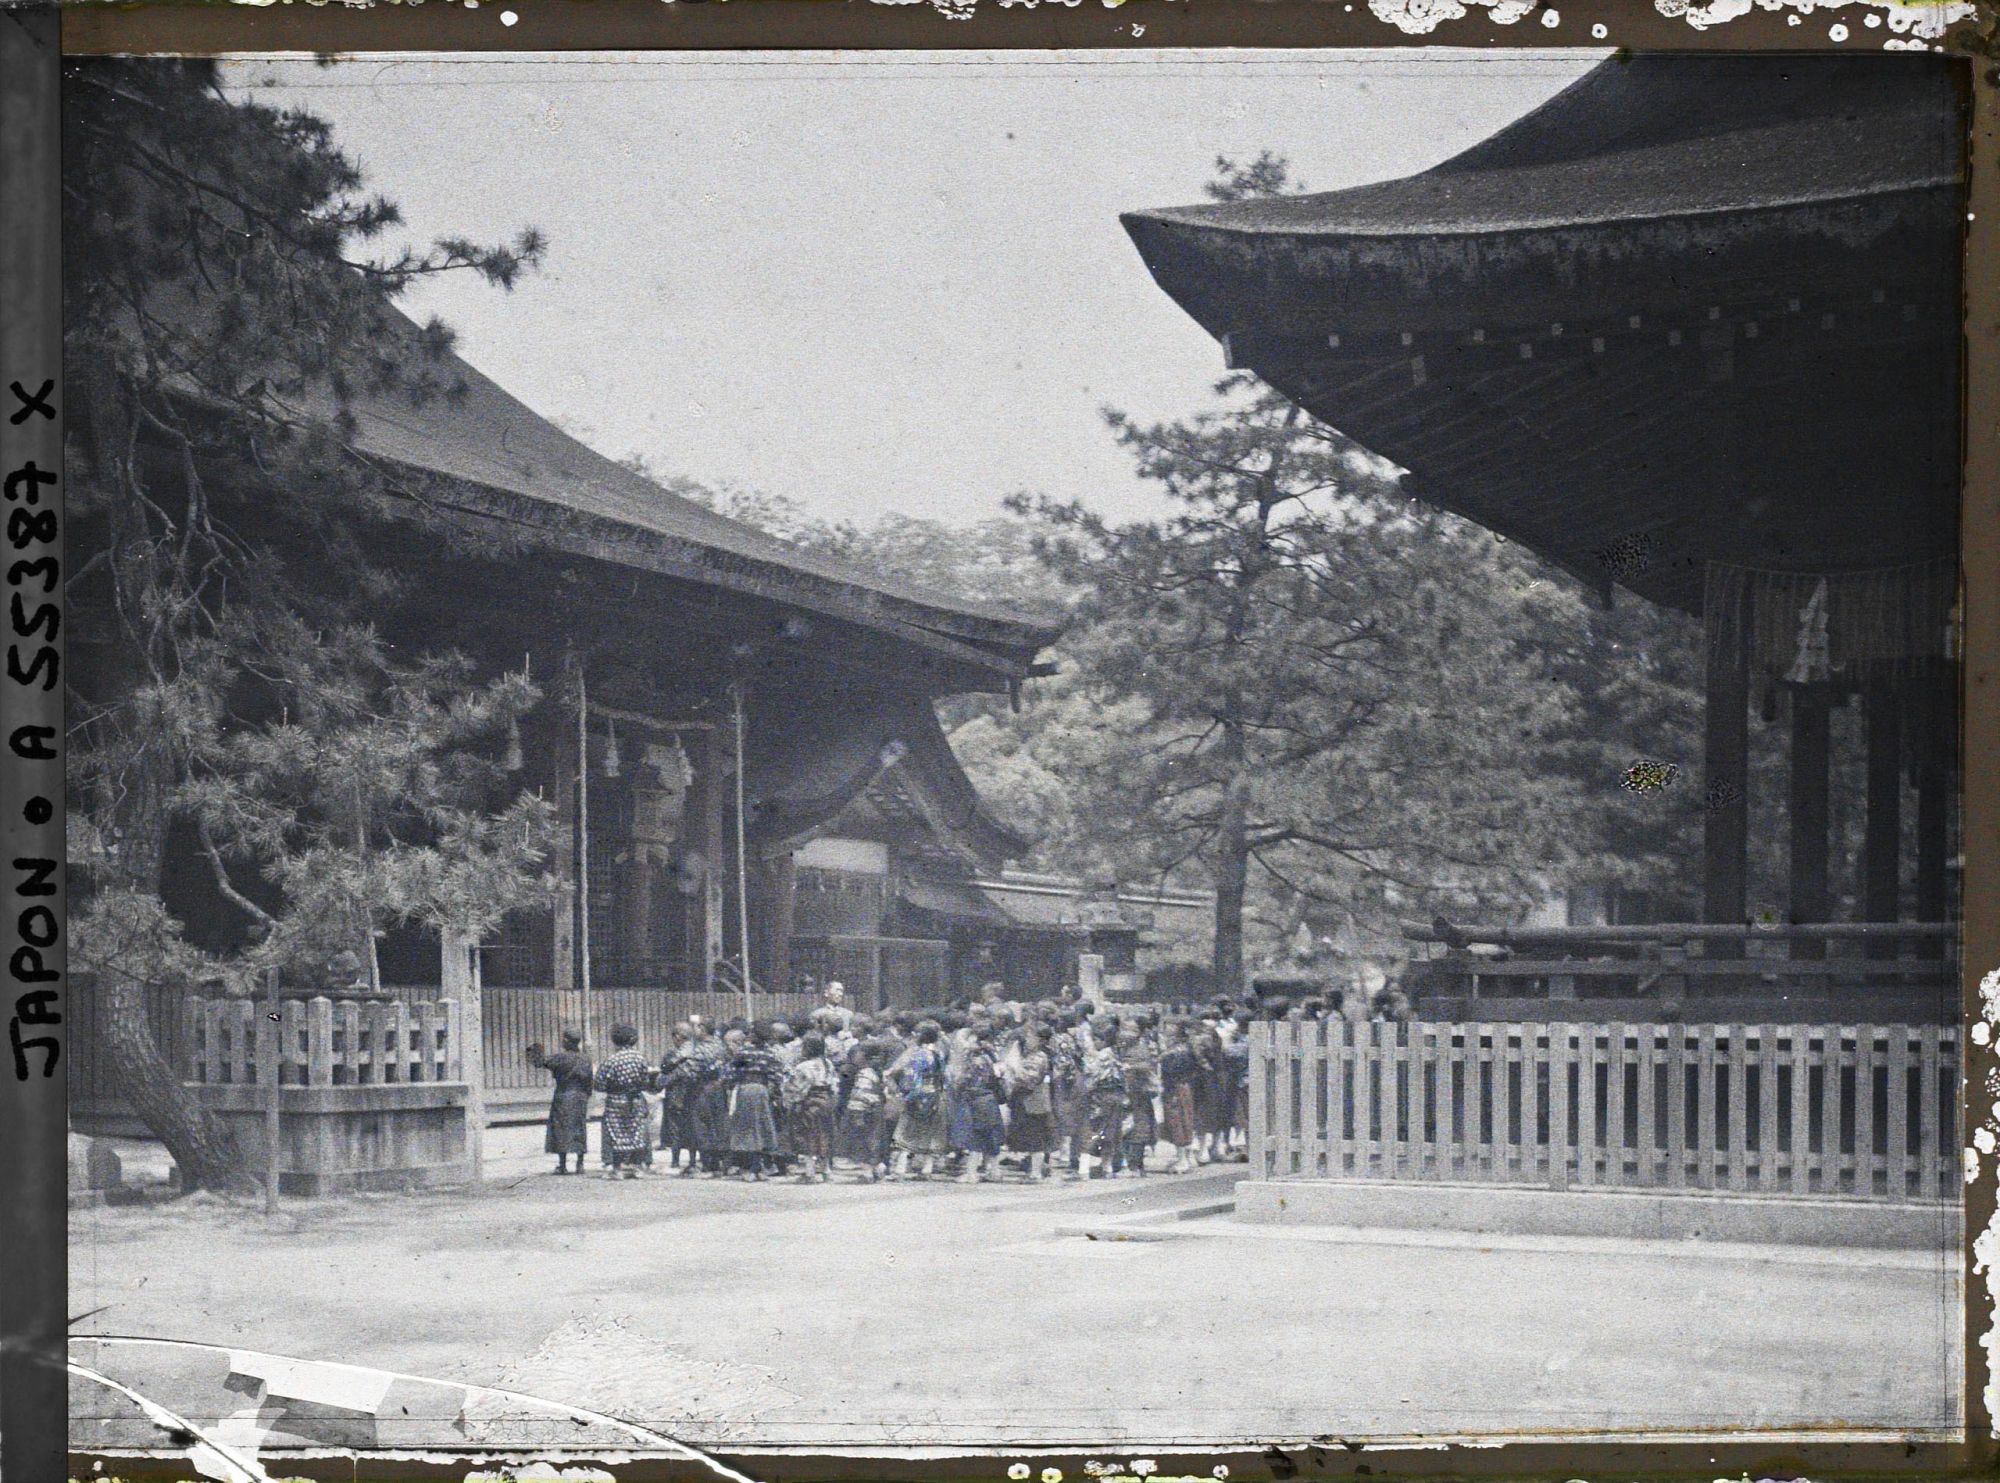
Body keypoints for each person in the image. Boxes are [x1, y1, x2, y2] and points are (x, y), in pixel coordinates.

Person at [526, 1030, 592, 1176]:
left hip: (563, 1095)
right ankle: (580, 1164)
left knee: (561, 1129)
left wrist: (533, 1049)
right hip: (580, 1096)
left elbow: (539, 1062)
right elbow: (589, 1081)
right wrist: (587, 1096)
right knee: (579, 1128)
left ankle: (562, 1165)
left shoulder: (560, 1058)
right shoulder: (585, 1059)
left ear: (567, 1041)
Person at [889, 1021, 950, 1180]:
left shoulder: (917, 1054)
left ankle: (900, 1169)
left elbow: (911, 1076)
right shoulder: (939, 1053)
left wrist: (905, 1093)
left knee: (907, 1131)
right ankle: (926, 1169)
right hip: (936, 1093)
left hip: (918, 1094)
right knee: (931, 1132)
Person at [594, 1023, 653, 1180]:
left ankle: (617, 1168)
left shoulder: (611, 1060)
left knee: (616, 1132)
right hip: (635, 1099)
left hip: (615, 1099)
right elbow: (646, 1080)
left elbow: (599, 1083)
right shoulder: (640, 1058)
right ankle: (638, 1167)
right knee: (636, 1131)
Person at [725, 1025, 784, 1180]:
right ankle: (761, 1167)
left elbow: (730, 1073)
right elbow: (777, 1075)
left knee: (746, 1128)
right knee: (761, 1126)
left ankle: (750, 1168)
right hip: (763, 1090)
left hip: (745, 1089)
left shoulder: (743, 1053)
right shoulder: (770, 1053)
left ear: (754, 1036)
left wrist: (731, 1086)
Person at [782, 1031, 840, 1183]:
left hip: (810, 1102)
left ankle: (810, 1172)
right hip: (826, 1101)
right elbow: (834, 1085)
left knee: (808, 1135)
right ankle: (827, 1171)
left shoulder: (803, 1066)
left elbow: (798, 1087)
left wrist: (793, 1101)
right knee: (825, 1134)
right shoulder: (828, 1064)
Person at [954, 1024, 1007, 1184]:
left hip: (975, 1100)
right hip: (990, 1099)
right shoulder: (993, 1057)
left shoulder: (974, 1060)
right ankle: (995, 1171)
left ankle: (971, 1173)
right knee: (991, 1137)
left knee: (975, 1138)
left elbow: (963, 1081)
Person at [1005, 1021, 1055, 1181]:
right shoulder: (1030, 1055)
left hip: (1033, 1103)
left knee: (1036, 1139)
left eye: (1031, 1036)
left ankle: (1036, 1172)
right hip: (1027, 1102)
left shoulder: (1039, 1057)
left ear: (1041, 1040)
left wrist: (1013, 1068)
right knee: (1031, 1137)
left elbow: (1028, 1079)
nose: (1027, 1039)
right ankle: (1035, 1169)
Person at [1080, 1022, 1127, 1181]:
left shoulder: (1102, 1055)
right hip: (1116, 1096)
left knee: (1091, 1131)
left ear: (1103, 1040)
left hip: (1100, 1097)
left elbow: (1091, 1074)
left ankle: (1083, 1169)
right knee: (1111, 1133)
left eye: (1096, 1039)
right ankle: (1107, 1167)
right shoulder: (1117, 1053)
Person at [837, 1041, 890, 1181]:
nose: (853, 1057)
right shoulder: (877, 1072)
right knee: (874, 1140)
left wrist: (856, 1114)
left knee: (862, 1142)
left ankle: (867, 1172)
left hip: (863, 1112)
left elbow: (861, 1095)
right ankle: (878, 1167)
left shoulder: (864, 1074)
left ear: (864, 1056)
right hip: (876, 1110)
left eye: (856, 1054)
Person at [1158, 1021, 1200, 1174]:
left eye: (1169, 1034)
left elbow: (1168, 1075)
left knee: (1177, 1122)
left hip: (1174, 1089)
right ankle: (1187, 1157)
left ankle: (1182, 1159)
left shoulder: (1171, 1054)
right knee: (1187, 1121)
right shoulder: (1189, 1049)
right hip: (1186, 1087)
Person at [1118, 1025, 1159, 1177]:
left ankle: (1133, 1166)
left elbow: (1131, 1077)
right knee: (1140, 1129)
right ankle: (1138, 1166)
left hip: (1134, 1097)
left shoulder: (1132, 1054)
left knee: (1133, 1130)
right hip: (1142, 1097)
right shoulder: (1142, 1050)